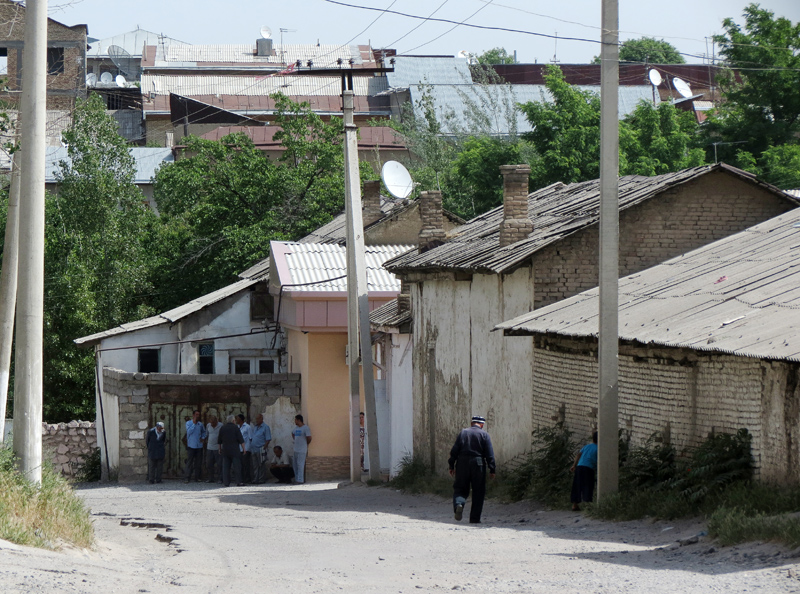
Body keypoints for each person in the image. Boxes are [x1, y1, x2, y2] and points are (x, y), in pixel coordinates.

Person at [448, 415, 496, 524]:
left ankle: (459, 504)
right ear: (482, 425)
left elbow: (454, 451)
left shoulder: (463, 433)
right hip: (478, 463)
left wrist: (451, 465)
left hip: (462, 463)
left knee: (460, 488)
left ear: (471, 423)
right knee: (478, 491)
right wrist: (492, 469)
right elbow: (489, 454)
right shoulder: (484, 435)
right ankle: (474, 518)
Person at [570, 431, 598, 511]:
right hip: (588, 469)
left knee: (577, 485)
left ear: (593, 439)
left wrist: (574, 465)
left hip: (579, 467)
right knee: (588, 485)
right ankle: (588, 505)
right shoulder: (599, 448)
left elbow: (579, 454)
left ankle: (575, 505)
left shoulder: (587, 446)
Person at [218, 415, 245, 487]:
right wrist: (244, 449)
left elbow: (219, 441)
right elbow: (241, 440)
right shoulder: (236, 428)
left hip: (225, 450)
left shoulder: (222, 428)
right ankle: (238, 481)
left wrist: (220, 449)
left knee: (226, 467)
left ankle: (226, 482)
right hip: (234, 450)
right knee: (237, 467)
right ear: (233, 421)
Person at [184, 410, 207, 483]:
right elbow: (189, 432)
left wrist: (203, 438)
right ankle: (187, 477)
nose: (198, 416)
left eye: (198, 415)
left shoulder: (200, 424)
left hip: (199, 446)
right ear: (193, 415)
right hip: (191, 446)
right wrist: (193, 424)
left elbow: (204, 432)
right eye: (196, 414)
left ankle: (197, 477)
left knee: (198, 462)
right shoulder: (188, 423)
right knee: (189, 462)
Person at [249, 414, 272, 484]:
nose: (256, 420)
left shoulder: (265, 427)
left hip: (260, 449)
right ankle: (256, 479)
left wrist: (264, 448)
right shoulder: (255, 427)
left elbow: (268, 439)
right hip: (253, 449)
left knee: (261, 465)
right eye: (256, 419)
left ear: (261, 419)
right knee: (255, 465)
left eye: (258, 419)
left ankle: (261, 479)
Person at [291, 414, 312, 484]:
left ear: (299, 420)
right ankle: (297, 478)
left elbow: (309, 438)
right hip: (295, 449)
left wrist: (305, 443)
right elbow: (292, 433)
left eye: (295, 420)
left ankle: (300, 480)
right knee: (295, 465)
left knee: (300, 465)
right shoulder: (296, 428)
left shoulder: (305, 428)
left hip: (302, 450)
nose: (295, 421)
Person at [205, 415, 222, 483]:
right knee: (209, 463)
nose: (212, 424)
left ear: (216, 421)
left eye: (213, 423)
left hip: (218, 447)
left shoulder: (221, 426)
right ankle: (210, 478)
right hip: (209, 447)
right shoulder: (208, 425)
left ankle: (220, 478)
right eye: (211, 423)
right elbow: (207, 434)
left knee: (219, 464)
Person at [236, 414, 252, 484]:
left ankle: (247, 479)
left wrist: (248, 448)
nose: (236, 420)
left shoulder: (247, 427)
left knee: (245, 464)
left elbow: (251, 438)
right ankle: (241, 478)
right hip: (239, 449)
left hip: (246, 448)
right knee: (240, 465)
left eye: (237, 418)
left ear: (241, 419)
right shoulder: (237, 427)